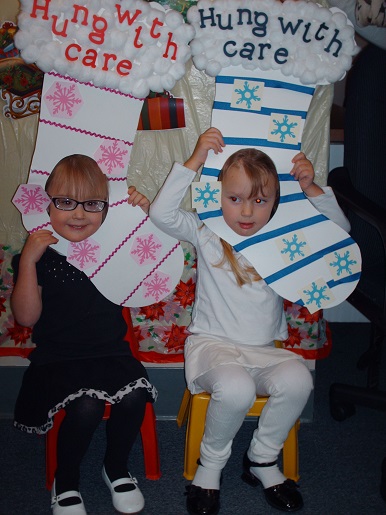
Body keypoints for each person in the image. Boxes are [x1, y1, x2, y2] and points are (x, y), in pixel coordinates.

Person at [149, 128, 350, 514]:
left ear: (274, 202)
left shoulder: (282, 237)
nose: (245, 211)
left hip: (262, 352)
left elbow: (339, 233)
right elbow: (161, 214)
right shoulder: (208, 232)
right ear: (219, 196)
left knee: (298, 380)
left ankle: (261, 458)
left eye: (259, 201)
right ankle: (209, 468)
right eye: (234, 198)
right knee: (236, 389)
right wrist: (194, 161)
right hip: (213, 347)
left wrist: (312, 189)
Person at [11, 154, 157, 515]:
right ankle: (68, 479)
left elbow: (153, 264)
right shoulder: (40, 256)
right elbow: (26, 317)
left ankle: (116, 467)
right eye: (65, 202)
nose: (78, 214)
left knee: (135, 397)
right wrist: (29, 261)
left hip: (110, 353)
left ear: (106, 209)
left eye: (92, 204)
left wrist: (142, 215)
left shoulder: (113, 247)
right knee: (86, 405)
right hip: (57, 360)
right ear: (47, 204)